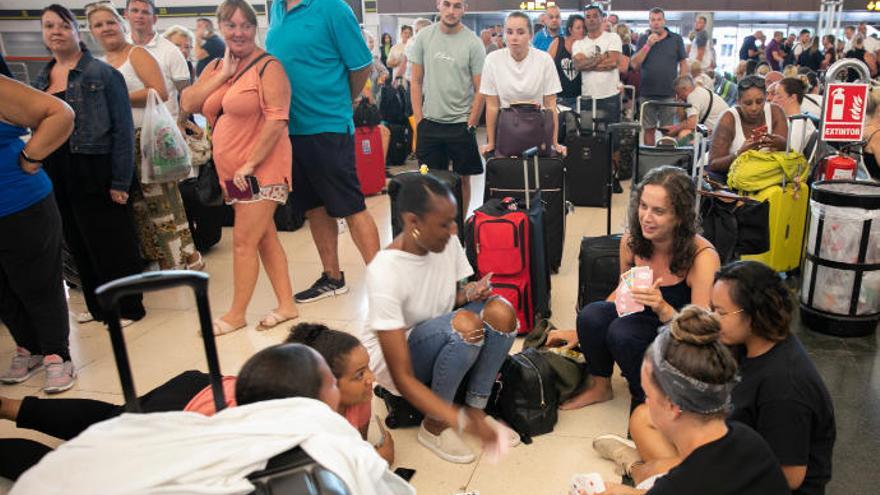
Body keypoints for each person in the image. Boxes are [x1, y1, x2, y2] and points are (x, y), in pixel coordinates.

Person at [0, 321, 395, 478]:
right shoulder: (277, 432)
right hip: (185, 408)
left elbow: (365, 448)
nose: (370, 379)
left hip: (207, 387)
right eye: (358, 375)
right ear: (322, 384)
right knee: (96, 460)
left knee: (111, 424)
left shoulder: (350, 398)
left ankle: (9, 407)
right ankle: (9, 409)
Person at [599, 262, 835, 495]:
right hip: (728, 445)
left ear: (753, 315)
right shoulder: (746, 344)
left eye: (720, 312)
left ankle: (638, 469)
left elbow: (790, 478)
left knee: (658, 472)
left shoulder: (785, 387)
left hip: (748, 474)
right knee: (641, 417)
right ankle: (649, 471)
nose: (713, 317)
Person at [363, 174, 518, 464]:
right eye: (444, 223)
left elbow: (450, 296)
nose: (453, 229)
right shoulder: (385, 271)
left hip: (438, 329)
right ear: (413, 222)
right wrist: (459, 421)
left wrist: (472, 291)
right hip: (397, 359)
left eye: (454, 220)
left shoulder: (445, 240)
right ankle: (434, 425)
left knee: (502, 313)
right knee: (466, 327)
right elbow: (402, 376)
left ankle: (478, 407)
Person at [548, 167, 720, 410]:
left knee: (623, 333)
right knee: (591, 315)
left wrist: (662, 307)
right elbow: (623, 291)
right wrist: (583, 333)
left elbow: (702, 332)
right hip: (642, 316)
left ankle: (648, 400)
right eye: (643, 206)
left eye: (658, 211)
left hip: (680, 331)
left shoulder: (702, 256)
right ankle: (600, 386)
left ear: (680, 216)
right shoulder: (631, 241)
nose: (646, 218)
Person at [180, 0, 297, 335]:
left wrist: (249, 163)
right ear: (220, 28)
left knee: (245, 242)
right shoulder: (217, 65)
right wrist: (224, 76)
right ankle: (287, 305)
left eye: (245, 25)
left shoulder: (268, 66)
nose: (239, 32)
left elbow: (277, 120)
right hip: (232, 172)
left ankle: (235, 314)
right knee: (264, 238)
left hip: (262, 170)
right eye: (231, 25)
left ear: (255, 28)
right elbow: (188, 103)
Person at [587, 306, 791, 495]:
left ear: (672, 405)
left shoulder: (679, 486)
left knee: (653, 461)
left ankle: (637, 468)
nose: (647, 404)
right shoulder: (750, 441)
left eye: (649, 396)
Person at [33, 4, 146, 327]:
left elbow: (123, 130)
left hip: (96, 167)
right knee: (78, 241)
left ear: (76, 31)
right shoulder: (43, 78)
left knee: (112, 242)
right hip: (58, 167)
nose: (56, 32)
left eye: (63, 26)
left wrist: (121, 181)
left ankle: (128, 307)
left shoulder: (101, 73)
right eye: (49, 26)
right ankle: (99, 308)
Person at [266, 0, 380, 304]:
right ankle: (332, 277)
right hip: (292, 129)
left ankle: (385, 284)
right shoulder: (276, 9)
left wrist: (343, 100)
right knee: (314, 207)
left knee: (351, 206)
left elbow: (361, 64)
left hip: (327, 125)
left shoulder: (332, 7)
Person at [88, 2, 204, 273]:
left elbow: (159, 92)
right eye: (98, 25)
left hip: (150, 139)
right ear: (91, 32)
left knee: (164, 201)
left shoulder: (136, 54)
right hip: (123, 142)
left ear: (120, 22)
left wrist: (116, 97)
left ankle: (185, 257)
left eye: (109, 22)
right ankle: (164, 258)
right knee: (140, 207)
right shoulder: (101, 64)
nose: (106, 28)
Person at [0, 75, 76, 394]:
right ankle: (28, 348)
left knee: (38, 282)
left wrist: (32, 157)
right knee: (3, 288)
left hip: (20, 202)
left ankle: (57, 353)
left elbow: (60, 113)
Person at [409, 0, 485, 212]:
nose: (451, 11)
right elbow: (415, 81)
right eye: (447, 4)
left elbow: (481, 88)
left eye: (457, 6)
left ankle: (458, 231)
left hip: (461, 124)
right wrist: (419, 120)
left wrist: (471, 122)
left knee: (462, 182)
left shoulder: (473, 42)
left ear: (465, 9)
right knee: (430, 181)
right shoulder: (424, 37)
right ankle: (436, 232)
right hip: (430, 123)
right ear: (438, 5)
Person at [481, 11, 564, 157]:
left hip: (538, 126)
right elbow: (492, 106)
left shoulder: (544, 60)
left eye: (520, 32)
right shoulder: (492, 60)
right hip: (506, 128)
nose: (514, 38)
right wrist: (491, 143)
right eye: (509, 32)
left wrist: (555, 143)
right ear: (504, 34)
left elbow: (551, 106)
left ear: (531, 35)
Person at [707, 75, 788, 183]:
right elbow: (713, 165)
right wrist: (739, 154)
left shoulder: (775, 112)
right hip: (732, 181)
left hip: (766, 180)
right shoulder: (728, 119)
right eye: (748, 103)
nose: (754, 108)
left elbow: (784, 156)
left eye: (759, 102)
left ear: (766, 97)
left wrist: (782, 144)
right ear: (738, 102)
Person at [124, 0, 191, 123]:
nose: (139, 15)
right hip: (127, 129)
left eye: (145, 12)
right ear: (126, 14)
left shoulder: (171, 51)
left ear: (154, 19)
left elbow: (186, 94)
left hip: (163, 131)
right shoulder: (119, 49)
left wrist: (181, 123)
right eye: (134, 10)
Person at [631, 8, 688, 146]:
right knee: (648, 129)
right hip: (647, 92)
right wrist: (648, 45)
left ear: (664, 21)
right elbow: (634, 64)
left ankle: (665, 161)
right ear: (649, 23)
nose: (656, 23)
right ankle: (650, 158)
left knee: (667, 130)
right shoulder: (643, 39)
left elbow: (683, 63)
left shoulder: (675, 39)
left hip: (669, 92)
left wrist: (682, 87)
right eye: (653, 20)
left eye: (659, 19)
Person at [572, 4, 622, 126]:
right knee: (588, 137)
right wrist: (602, 56)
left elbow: (613, 63)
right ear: (585, 20)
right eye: (588, 17)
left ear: (602, 18)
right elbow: (578, 65)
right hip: (587, 97)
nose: (591, 19)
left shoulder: (613, 37)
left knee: (610, 138)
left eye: (595, 16)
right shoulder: (578, 43)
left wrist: (588, 64)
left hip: (610, 96)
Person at [666, 75, 729, 141]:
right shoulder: (699, 91)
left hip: (717, 134)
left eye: (678, 93)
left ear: (685, 89)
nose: (678, 97)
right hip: (718, 130)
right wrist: (675, 127)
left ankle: (691, 151)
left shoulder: (692, 97)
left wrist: (675, 129)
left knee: (684, 134)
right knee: (683, 131)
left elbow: (692, 124)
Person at [770, 77, 816, 156]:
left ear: (792, 98)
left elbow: (790, 154)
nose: (774, 100)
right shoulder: (793, 121)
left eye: (778, 96)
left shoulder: (798, 124)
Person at [548, 14, 586, 110]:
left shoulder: (586, 46)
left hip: (580, 98)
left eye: (583, 28)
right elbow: (546, 67)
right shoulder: (558, 42)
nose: (582, 30)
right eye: (578, 28)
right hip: (559, 98)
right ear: (570, 30)